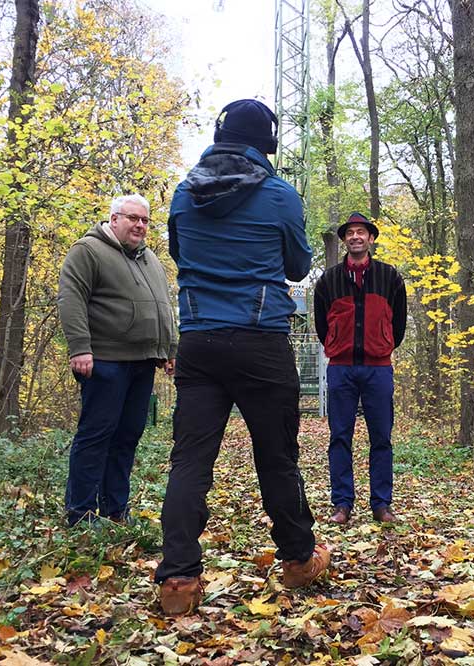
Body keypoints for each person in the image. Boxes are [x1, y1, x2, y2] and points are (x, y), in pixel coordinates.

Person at [154, 99, 328, 615]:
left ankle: (178, 579)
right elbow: (297, 267)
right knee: (276, 457)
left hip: (200, 341)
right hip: (260, 343)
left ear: (219, 135)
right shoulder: (279, 195)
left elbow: (181, 256)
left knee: (190, 460)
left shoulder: (184, 194)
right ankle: (298, 559)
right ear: (266, 143)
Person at [58, 194, 177, 527]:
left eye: (144, 220)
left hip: (143, 361)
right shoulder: (88, 250)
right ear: (113, 219)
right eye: (132, 218)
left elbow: (163, 306)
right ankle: (81, 513)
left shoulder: (149, 259)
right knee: (96, 435)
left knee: (127, 436)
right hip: (104, 360)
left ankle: (115, 510)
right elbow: (71, 298)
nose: (140, 225)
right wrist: (80, 348)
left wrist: (169, 349)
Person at [313, 213, 406, 525]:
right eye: (350, 232)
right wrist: (337, 344)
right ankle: (342, 504)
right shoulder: (328, 280)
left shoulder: (389, 277)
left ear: (371, 238)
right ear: (344, 240)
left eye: (361, 232)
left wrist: (382, 344)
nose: (355, 236)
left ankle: (382, 504)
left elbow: (399, 324)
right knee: (340, 437)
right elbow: (322, 325)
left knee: (381, 438)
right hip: (341, 369)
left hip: (378, 369)